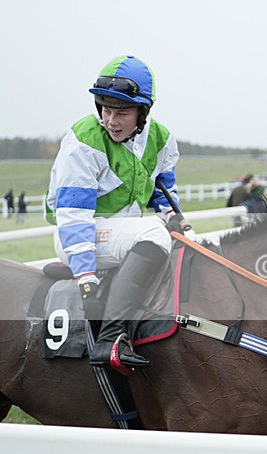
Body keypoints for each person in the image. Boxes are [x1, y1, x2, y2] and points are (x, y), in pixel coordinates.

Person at [46, 54, 189, 369]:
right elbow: (73, 218)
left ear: (143, 111)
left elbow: (164, 194)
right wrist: (85, 276)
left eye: (122, 112)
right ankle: (110, 337)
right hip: (79, 236)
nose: (111, 120)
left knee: (188, 245)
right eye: (105, 110)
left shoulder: (162, 139)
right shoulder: (83, 141)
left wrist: (175, 218)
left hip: (125, 236)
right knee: (153, 232)